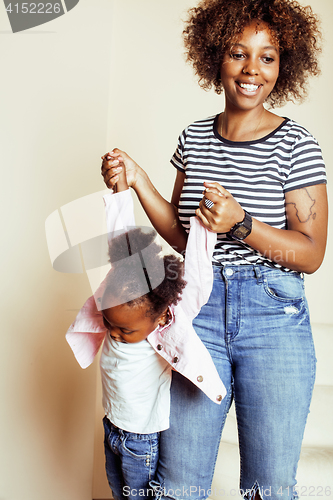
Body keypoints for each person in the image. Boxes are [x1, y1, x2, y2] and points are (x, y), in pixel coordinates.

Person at [100, 0, 328, 499]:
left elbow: (311, 254)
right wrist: (138, 182)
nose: (252, 70)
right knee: (178, 484)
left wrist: (242, 223)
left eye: (267, 58)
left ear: (283, 65)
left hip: (273, 317)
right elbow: (185, 237)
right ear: (215, 57)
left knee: (269, 487)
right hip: (196, 313)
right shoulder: (195, 137)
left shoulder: (297, 144)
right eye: (238, 53)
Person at [66, 171, 226, 500]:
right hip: (112, 426)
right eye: (109, 323)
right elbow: (122, 239)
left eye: (125, 330)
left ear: (161, 317)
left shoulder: (168, 323)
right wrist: (121, 190)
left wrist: (205, 218)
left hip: (141, 440)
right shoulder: (120, 293)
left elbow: (196, 271)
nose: (114, 334)